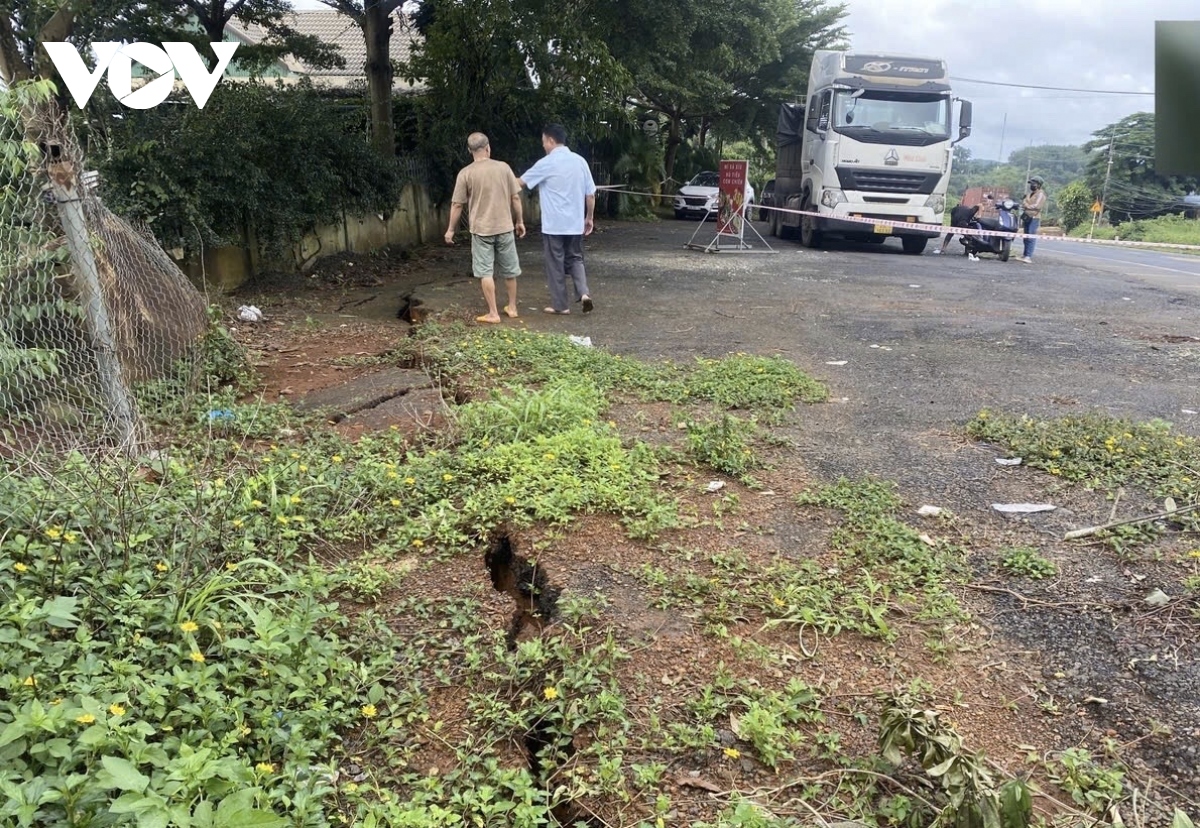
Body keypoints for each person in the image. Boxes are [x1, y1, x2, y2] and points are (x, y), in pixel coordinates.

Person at [445, 132, 526, 324]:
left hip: (481, 231)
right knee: (510, 270)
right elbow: (515, 197)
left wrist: (450, 230)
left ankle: (493, 313)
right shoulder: (504, 168)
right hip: (505, 227)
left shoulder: (466, 173)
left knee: (485, 272)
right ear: (488, 147)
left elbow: (457, 205)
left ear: (469, 150)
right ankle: (512, 307)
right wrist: (520, 221)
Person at [517, 124, 597, 315]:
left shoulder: (547, 163)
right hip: (575, 223)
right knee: (576, 259)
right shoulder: (580, 161)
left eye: (544, 142)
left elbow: (519, 183)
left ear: (551, 140)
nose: (543, 146)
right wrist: (589, 218)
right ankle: (584, 293)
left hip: (554, 225)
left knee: (555, 263)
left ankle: (561, 305)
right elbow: (591, 194)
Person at [1019, 176, 1047, 264]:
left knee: (1031, 236)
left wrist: (1026, 205)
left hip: (1034, 217)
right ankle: (1024, 254)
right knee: (1026, 236)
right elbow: (1023, 202)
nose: (1031, 185)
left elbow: (1037, 206)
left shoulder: (1041, 194)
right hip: (1027, 216)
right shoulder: (1030, 194)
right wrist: (1025, 203)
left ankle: (1028, 256)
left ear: (1038, 184)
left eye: (1033, 183)